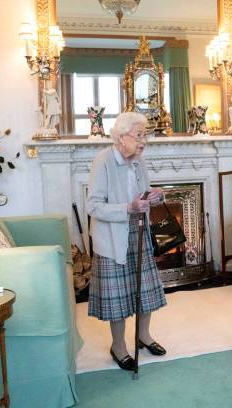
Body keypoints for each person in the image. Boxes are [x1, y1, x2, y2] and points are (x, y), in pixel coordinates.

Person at [86, 111, 167, 371]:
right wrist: (127, 209)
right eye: (139, 135)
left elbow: (142, 195)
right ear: (122, 138)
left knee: (145, 290)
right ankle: (118, 346)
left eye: (146, 135)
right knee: (118, 298)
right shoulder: (103, 161)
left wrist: (156, 196)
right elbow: (93, 206)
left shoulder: (138, 161)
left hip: (139, 231)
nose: (144, 141)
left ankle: (143, 336)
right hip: (112, 238)